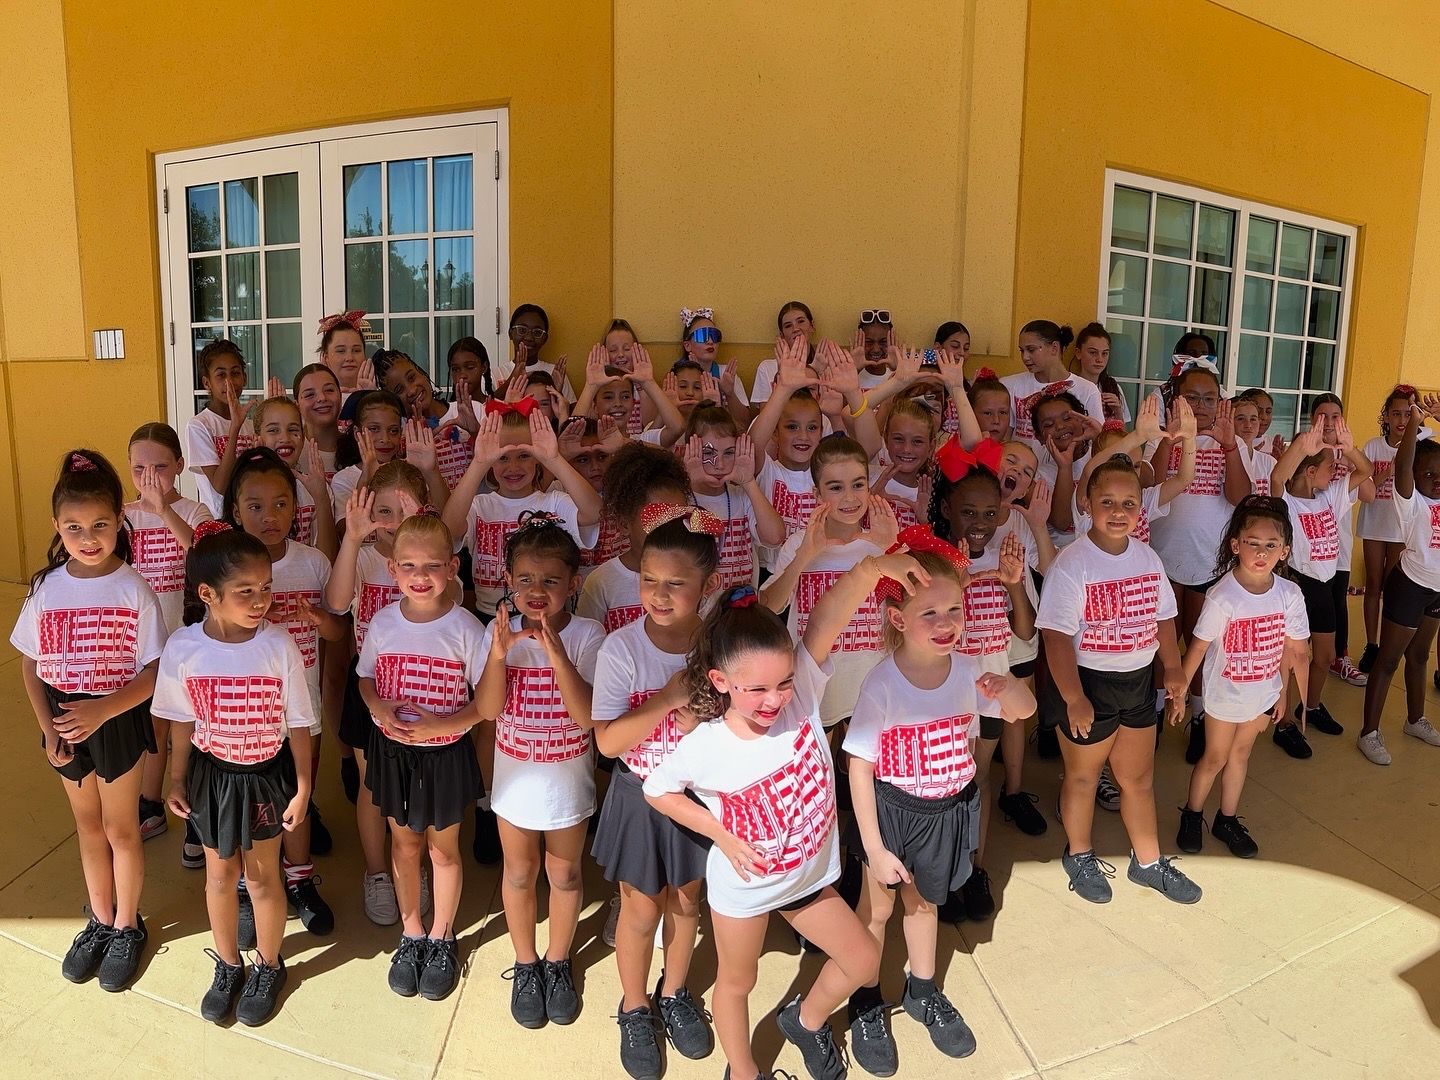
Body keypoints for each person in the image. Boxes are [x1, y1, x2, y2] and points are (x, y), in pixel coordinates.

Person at [642, 558, 927, 1080]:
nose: (775, 700)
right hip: (746, 892)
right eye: (758, 690)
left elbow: (824, 621)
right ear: (720, 681)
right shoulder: (706, 746)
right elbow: (658, 790)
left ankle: (806, 1018)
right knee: (737, 984)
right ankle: (744, 1072)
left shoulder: (802, 705)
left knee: (863, 963)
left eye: (785, 683)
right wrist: (721, 835)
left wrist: (871, 570)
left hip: (806, 881)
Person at [843, 527, 1035, 1074]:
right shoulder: (882, 685)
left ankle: (922, 989)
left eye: (956, 608)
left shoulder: (972, 671)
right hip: (893, 811)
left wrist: (1010, 689)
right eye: (930, 613)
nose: (948, 623)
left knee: (924, 904)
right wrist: (875, 848)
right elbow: (858, 766)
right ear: (898, 620)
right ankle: (865, 997)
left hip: (945, 810)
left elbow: (1020, 712)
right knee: (877, 910)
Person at [12, 449, 166, 992]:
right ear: (57, 527)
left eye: (101, 524)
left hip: (116, 718)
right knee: (88, 826)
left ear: (119, 522)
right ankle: (100, 919)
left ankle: (128, 924)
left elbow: (154, 673)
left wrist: (104, 707)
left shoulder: (133, 589)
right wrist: (49, 728)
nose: (89, 536)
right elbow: (31, 666)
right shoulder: (46, 589)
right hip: (64, 723)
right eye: (74, 527)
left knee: (122, 829)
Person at [155, 522, 314, 1026]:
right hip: (211, 776)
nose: (261, 599)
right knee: (220, 874)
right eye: (246, 591)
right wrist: (177, 778)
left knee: (263, 877)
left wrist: (305, 785)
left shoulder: (279, 646)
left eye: (265, 587)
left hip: (266, 774)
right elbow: (182, 719)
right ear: (208, 594)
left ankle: (269, 964)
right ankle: (227, 964)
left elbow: (300, 723)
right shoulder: (183, 648)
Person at [591, 505, 724, 1078]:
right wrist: (668, 700)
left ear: (709, 586)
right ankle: (635, 1004)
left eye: (676, 583)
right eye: (650, 580)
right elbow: (608, 742)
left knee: (688, 902)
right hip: (639, 794)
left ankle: (673, 992)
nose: (660, 594)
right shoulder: (621, 649)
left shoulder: (721, 647)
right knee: (641, 908)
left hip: (698, 798)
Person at [1036, 459, 1200, 906]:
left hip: (1136, 682)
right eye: (1107, 501)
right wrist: (1073, 698)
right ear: (1086, 504)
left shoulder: (1147, 557)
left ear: (1140, 510)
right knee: (1084, 778)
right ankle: (1080, 854)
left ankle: (1147, 862)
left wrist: (1172, 668)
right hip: (1087, 683)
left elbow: (1164, 618)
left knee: (1139, 779)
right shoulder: (1072, 564)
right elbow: (1054, 638)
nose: (1118, 510)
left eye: (1128, 502)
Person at [476, 515, 605, 1027]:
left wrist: (554, 652)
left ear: (573, 584)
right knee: (519, 872)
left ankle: (557, 961)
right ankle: (526, 963)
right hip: (514, 784)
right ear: (508, 580)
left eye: (551, 580)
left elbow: (587, 716)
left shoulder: (589, 636)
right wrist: (498, 657)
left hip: (568, 785)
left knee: (565, 873)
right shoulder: (499, 632)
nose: (537, 590)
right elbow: (488, 710)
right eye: (525, 579)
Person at [358, 513, 485, 1002]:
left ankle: (442, 936)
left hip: (444, 755)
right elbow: (366, 679)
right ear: (391, 569)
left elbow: (484, 703)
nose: (419, 575)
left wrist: (442, 726)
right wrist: (377, 706)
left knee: (442, 850)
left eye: (432, 565)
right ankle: (411, 931)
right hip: (393, 754)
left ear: (453, 567)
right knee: (405, 847)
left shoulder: (466, 629)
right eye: (408, 565)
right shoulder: (384, 621)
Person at [224, 448, 346, 938]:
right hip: (242, 716)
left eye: (279, 504)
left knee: (298, 795)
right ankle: (249, 886)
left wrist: (321, 621)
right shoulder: (225, 565)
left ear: (296, 509)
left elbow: (338, 633)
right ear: (235, 511)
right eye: (254, 506)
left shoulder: (313, 564)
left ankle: (298, 878)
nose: (268, 516)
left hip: (301, 712)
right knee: (247, 801)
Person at [325, 460, 429, 924]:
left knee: (417, 785)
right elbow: (334, 602)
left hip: (425, 690)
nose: (393, 523)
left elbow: (449, 602)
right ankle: (377, 872)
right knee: (372, 788)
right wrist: (351, 537)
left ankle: (415, 866)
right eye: (382, 511)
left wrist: (425, 533)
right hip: (370, 689)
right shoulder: (365, 557)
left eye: (405, 511)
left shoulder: (432, 560)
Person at [1177, 497, 1310, 855]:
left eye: (1271, 545)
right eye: (1253, 543)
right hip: (1224, 697)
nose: (1261, 552)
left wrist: (1281, 695)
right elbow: (1199, 647)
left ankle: (1227, 818)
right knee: (1215, 758)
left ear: (1284, 551)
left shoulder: (1290, 594)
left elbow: (1290, 649)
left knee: (1240, 756)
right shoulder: (1223, 596)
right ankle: (1192, 813)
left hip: (1262, 696)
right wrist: (1179, 693)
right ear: (1236, 545)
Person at [1146, 360, 1249, 763]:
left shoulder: (1229, 443)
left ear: (1220, 402)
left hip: (1210, 564)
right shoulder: (1160, 439)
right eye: (1192, 397)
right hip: (1163, 561)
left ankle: (1199, 717)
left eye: (1210, 398)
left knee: (1199, 646)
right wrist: (1169, 440)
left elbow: (1241, 497)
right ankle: (1155, 711)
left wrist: (1227, 446)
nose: (1201, 405)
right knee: (1162, 646)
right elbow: (1150, 485)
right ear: (1176, 399)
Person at [125, 423, 211, 841]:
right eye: (139, 468)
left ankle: (193, 805)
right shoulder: (121, 516)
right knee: (153, 725)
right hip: (140, 644)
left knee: (189, 725)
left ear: (179, 465)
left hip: (186, 638)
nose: (149, 478)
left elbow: (205, 557)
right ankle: (150, 802)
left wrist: (162, 511)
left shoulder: (195, 512)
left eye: (159, 467)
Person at [1270, 420, 1372, 759]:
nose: (1338, 470)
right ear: (1311, 471)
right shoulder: (1288, 503)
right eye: (1330, 466)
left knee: (1325, 656)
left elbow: (1366, 469)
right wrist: (1301, 446)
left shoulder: (1329, 497)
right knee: (1293, 658)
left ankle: (1310, 708)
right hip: (1301, 584)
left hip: (1326, 585)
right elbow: (1276, 478)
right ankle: (1284, 723)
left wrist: (1347, 444)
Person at [442, 406, 600, 619]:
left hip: (547, 614)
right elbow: (448, 529)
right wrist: (479, 463)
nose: (513, 467)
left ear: (537, 458)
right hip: (489, 617)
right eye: (503, 457)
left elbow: (595, 512)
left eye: (524, 455)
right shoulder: (480, 505)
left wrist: (554, 459)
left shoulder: (554, 503)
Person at [1357, 398, 1440, 764]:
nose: (1436, 480)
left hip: (1436, 590)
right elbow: (1405, 464)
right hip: (1410, 587)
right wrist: (1415, 424)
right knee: (1388, 661)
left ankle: (1415, 720)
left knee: (1420, 656)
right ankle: (1369, 734)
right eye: (1428, 475)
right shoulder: (1411, 502)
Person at [577, 442, 691, 632]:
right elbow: (587, 647)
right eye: (658, 521)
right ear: (624, 524)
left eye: (680, 518)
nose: (671, 530)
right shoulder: (602, 582)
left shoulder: (693, 574)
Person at [213, 396, 335, 557]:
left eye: (293, 430)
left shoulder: (316, 487)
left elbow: (327, 561)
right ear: (257, 436)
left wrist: (321, 497)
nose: (285, 438)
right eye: (273, 430)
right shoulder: (244, 485)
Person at [1356, 385, 1423, 674]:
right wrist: (1388, 470)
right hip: (1374, 523)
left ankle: (1388, 645)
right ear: (1386, 416)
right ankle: (1372, 644)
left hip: (1401, 527)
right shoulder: (1373, 446)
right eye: (1396, 413)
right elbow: (1366, 486)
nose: (1401, 420)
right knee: (1373, 584)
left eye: (1408, 414)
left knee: (1393, 587)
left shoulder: (1421, 445)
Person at [681, 406, 786, 588]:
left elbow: (775, 538)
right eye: (708, 453)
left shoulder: (741, 496)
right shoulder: (681, 498)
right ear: (690, 450)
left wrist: (749, 482)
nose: (719, 464)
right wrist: (688, 481)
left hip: (739, 610)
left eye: (728, 453)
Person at [378, 349, 475, 490]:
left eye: (411, 377)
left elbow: (494, 475)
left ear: (422, 373)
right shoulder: (398, 434)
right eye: (399, 390)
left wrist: (475, 431)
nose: (411, 390)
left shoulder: (471, 410)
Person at [1000, 320, 1103, 444]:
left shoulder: (1087, 390)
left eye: (1031, 350)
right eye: (1022, 351)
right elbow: (1004, 438)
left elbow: (1099, 440)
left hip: (1073, 463)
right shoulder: (1009, 385)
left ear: (1054, 347)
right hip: (1025, 463)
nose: (1025, 357)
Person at [184, 339, 254, 515]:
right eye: (221, 375)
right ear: (207, 383)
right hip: (220, 522)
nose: (229, 382)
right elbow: (219, 486)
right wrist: (235, 429)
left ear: (244, 378)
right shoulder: (199, 426)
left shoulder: (251, 424)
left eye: (235, 373)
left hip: (250, 518)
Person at [751, 301, 817, 407]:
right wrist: (781, 376)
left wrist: (817, 371)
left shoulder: (825, 365)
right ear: (782, 335)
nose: (795, 329)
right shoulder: (767, 368)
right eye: (788, 326)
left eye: (800, 321)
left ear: (812, 326)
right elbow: (765, 418)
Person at [1068, 322, 1131, 423]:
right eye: (1093, 352)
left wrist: (1118, 412)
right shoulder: (1069, 388)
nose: (1099, 359)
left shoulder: (1113, 388)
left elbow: (1122, 435)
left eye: (1105, 353)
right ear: (1078, 353)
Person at [293, 363, 344, 477]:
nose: (322, 398)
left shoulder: (360, 448)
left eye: (329, 390)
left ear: (340, 396)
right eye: (310, 395)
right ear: (297, 405)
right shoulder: (292, 451)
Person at [316, 310, 374, 398]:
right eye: (341, 351)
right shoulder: (316, 401)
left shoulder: (378, 398)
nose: (349, 358)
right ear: (325, 357)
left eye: (356, 350)